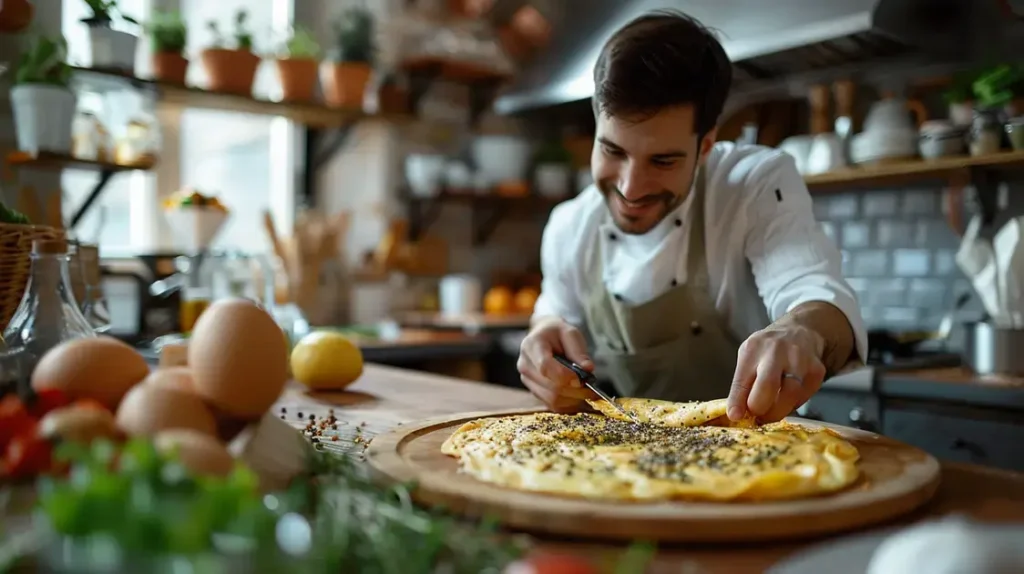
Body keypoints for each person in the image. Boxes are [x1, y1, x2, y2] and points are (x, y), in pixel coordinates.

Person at [517, 9, 867, 423]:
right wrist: (543, 346)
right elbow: (554, 315)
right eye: (613, 151)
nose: (630, 188)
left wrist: (802, 331)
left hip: (757, 456)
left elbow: (816, 295)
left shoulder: (753, 183)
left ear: (705, 147)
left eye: (662, 161)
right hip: (624, 462)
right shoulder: (570, 225)